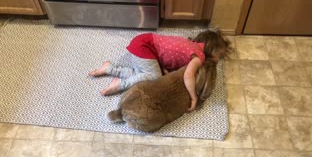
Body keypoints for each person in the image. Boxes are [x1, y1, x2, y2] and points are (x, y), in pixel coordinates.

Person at [89, 30, 231, 112]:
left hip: (144, 42)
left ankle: (109, 68)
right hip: (144, 47)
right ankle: (121, 84)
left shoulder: (190, 45)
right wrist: (193, 97)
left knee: (145, 74)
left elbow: (168, 56)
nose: (219, 59)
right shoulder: (199, 56)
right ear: (211, 48)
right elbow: (189, 75)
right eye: (220, 55)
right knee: (154, 76)